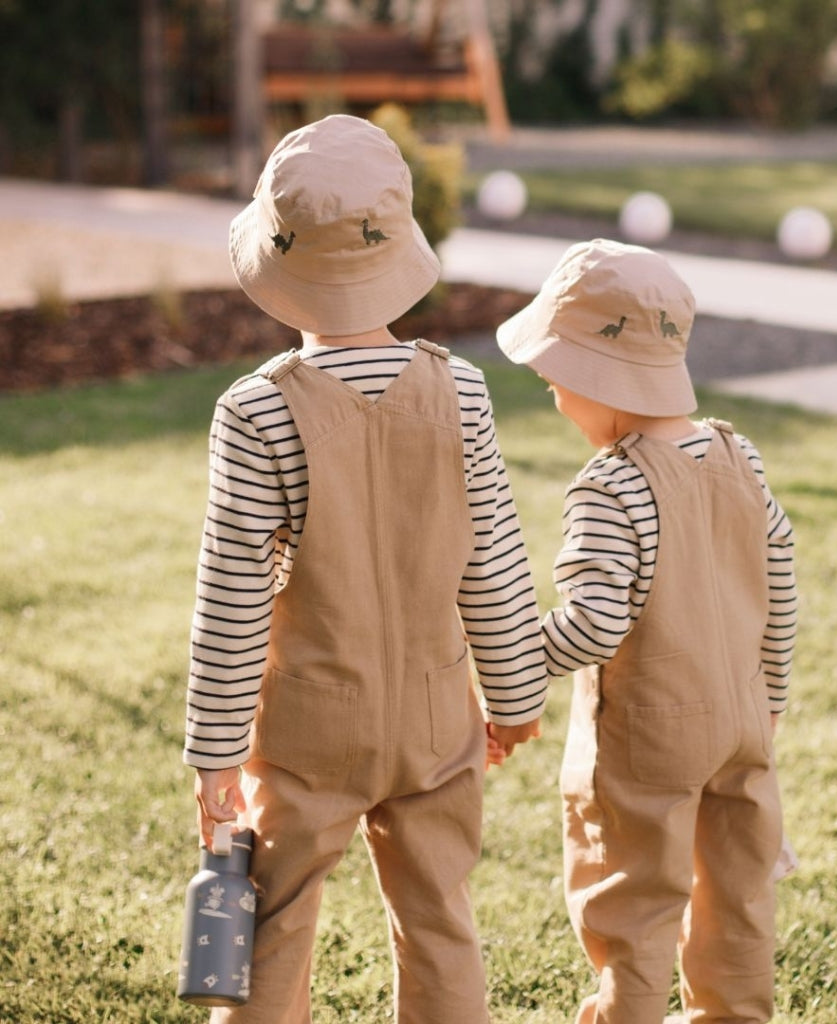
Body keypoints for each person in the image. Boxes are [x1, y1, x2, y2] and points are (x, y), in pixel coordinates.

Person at [183, 114, 546, 1024]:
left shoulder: (257, 412)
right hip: (436, 719)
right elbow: (494, 560)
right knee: (440, 920)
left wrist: (216, 753)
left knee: (273, 921)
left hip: (308, 730)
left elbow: (232, 598)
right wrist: (514, 696)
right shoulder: (461, 390)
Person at [495, 238, 797, 1024]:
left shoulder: (613, 483)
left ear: (598, 379)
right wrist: (770, 696)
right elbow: (780, 577)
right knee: (737, 897)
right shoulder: (739, 455)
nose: (558, 403)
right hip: (742, 724)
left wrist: (514, 655)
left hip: (647, 739)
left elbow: (595, 624)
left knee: (633, 906)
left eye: (557, 386)